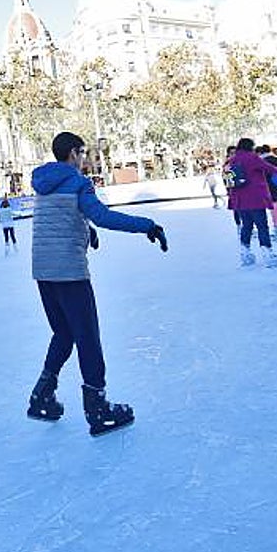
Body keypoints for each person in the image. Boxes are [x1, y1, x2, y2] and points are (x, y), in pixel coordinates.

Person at [26, 132, 168, 437]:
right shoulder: (78, 182)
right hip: (70, 272)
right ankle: (98, 409)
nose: (85, 157)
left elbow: (58, 217)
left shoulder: (42, 183)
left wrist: (84, 230)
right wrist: (147, 225)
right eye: (83, 152)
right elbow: (102, 215)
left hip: (43, 270)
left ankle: (41, 395)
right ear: (74, 153)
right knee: (87, 337)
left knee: (63, 333)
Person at [227, 138, 277, 268]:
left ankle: (245, 253)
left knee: (246, 226)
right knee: (262, 226)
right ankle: (267, 253)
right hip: (255, 198)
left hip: (239, 199)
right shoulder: (252, 158)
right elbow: (267, 168)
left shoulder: (232, 160)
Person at [256, 144, 277, 242]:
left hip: (269, 186)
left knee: (274, 207)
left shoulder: (263, 161)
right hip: (276, 185)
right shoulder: (274, 159)